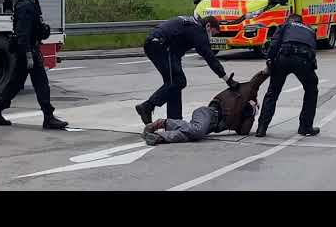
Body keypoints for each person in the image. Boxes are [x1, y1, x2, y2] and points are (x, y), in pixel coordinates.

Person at [0, 0, 68, 129]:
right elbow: (22, 33)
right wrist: (29, 55)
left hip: (26, 50)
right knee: (42, 84)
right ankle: (48, 117)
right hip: (28, 50)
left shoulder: (30, 2)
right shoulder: (26, 5)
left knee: (15, 83)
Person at [136, 15, 239, 124]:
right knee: (178, 81)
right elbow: (210, 58)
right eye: (213, 33)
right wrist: (227, 79)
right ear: (208, 26)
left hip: (159, 45)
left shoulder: (192, 24)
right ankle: (147, 106)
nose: (211, 36)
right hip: (160, 45)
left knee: (174, 83)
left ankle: (175, 121)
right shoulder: (198, 30)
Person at [142, 69, 270, 145]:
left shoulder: (241, 120)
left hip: (209, 127)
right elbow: (255, 82)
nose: (247, 108)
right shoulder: (245, 93)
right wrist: (267, 71)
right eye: (249, 106)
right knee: (197, 131)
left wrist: (251, 114)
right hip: (207, 113)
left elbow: (244, 132)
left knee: (191, 135)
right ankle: (162, 123)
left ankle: (158, 137)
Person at [255, 14, 320, 138]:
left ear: (288, 20)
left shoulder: (285, 26)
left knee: (273, 92)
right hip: (304, 60)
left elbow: (274, 44)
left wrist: (269, 60)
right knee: (311, 90)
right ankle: (305, 127)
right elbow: (312, 50)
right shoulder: (310, 30)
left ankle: (261, 128)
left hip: (284, 57)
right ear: (301, 22)